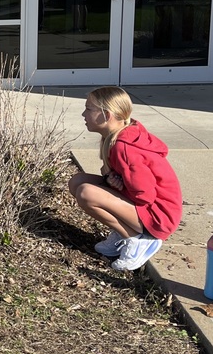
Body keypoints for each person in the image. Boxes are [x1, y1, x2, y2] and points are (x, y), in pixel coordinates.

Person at [68, 86, 182, 271]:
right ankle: (125, 234)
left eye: (89, 109)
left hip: (159, 217)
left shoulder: (124, 148)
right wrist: (111, 180)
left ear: (106, 115)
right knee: (77, 182)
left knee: (86, 193)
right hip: (146, 208)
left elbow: (144, 195)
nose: (83, 113)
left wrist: (116, 185)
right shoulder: (114, 137)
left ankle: (137, 240)